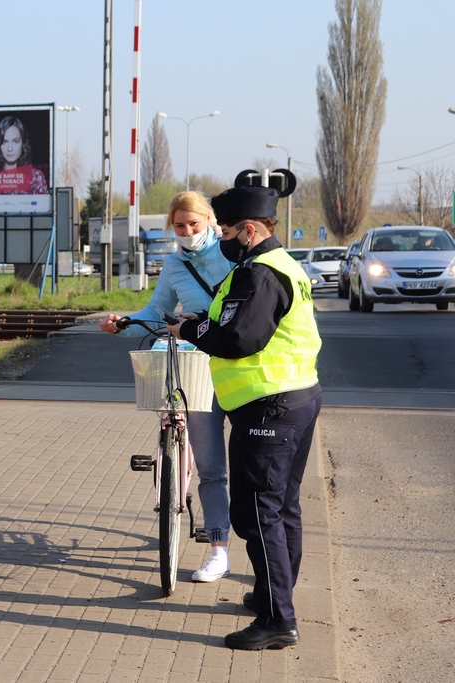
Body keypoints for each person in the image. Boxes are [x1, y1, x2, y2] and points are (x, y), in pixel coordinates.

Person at [168, 185, 322, 651]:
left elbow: (238, 339)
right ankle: (273, 595)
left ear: (249, 230)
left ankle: (278, 619)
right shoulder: (286, 266)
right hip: (296, 399)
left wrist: (191, 328)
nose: (223, 238)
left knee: (257, 513)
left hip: (269, 407)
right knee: (283, 507)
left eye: (227, 230)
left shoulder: (258, 274)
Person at [99, 191, 234, 584]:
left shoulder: (231, 255)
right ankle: (218, 551)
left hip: (231, 360)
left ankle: (252, 546)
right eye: (180, 225)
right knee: (210, 464)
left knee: (243, 465)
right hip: (190, 359)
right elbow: (157, 310)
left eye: (195, 223)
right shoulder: (174, 264)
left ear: (210, 220)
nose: (189, 231)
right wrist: (123, 321)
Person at [0, 116, 48, 195]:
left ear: (23, 143)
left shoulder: (36, 177)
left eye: (15, 141)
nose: (10, 148)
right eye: (5, 142)